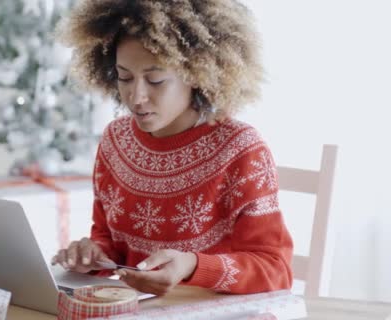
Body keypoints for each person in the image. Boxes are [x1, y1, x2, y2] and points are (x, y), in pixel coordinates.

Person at [52, 0, 293, 296]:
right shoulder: (116, 141)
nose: (136, 96)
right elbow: (110, 244)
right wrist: (91, 256)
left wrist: (193, 266)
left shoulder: (241, 149)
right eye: (124, 77)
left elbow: (276, 270)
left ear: (195, 74)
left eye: (155, 80)